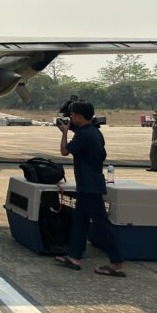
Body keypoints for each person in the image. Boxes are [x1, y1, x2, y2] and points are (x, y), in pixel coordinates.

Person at [54, 101, 125, 277]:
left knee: (102, 224)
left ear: (78, 116)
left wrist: (64, 132)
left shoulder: (83, 135)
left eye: (72, 115)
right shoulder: (94, 132)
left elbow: (64, 151)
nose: (70, 118)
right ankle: (74, 257)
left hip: (89, 186)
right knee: (80, 221)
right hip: (89, 184)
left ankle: (116, 263)